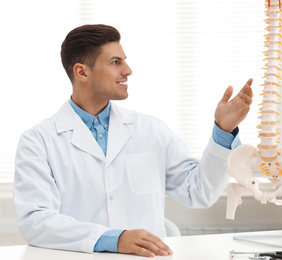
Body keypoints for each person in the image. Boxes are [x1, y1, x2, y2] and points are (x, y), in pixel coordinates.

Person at [14, 24, 253, 257]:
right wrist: (113, 239)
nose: (128, 70)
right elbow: (35, 220)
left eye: (124, 60)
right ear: (82, 72)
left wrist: (224, 129)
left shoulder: (150, 129)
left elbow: (199, 192)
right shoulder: (38, 141)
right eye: (116, 62)